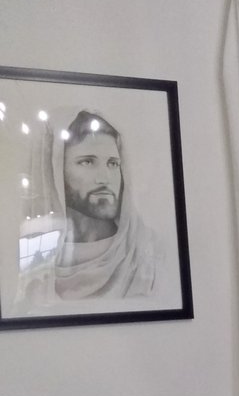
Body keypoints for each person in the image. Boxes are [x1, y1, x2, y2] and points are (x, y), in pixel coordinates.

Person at [17, 110, 162, 306]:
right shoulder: (33, 250)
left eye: (113, 164)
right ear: (55, 171)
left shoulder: (146, 248)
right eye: (87, 162)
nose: (105, 178)